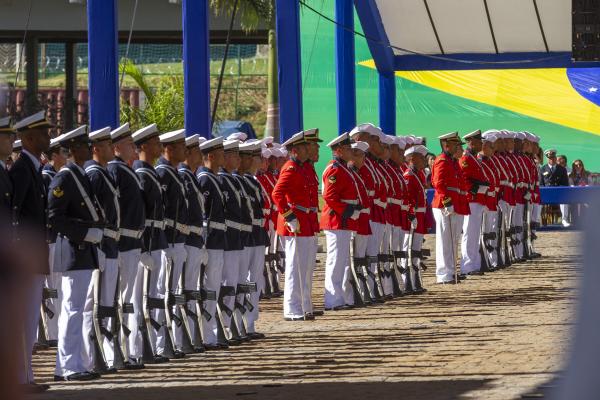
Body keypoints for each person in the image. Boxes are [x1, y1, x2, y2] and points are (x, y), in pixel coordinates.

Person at [47, 125, 101, 382]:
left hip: (83, 252)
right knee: (72, 309)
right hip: (72, 250)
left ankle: (73, 363)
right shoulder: (65, 177)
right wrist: (83, 234)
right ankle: (69, 367)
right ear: (72, 150)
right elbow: (54, 218)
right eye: (84, 146)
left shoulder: (80, 175)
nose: (89, 150)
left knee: (78, 309)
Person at [10, 111, 51, 392]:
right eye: (44, 133)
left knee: (29, 319)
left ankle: (26, 375)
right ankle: (21, 377)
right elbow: (15, 215)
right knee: (23, 319)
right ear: (29, 138)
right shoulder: (23, 169)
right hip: (24, 257)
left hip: (35, 257)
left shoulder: (33, 167)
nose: (48, 137)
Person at [107, 123, 146, 368]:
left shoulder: (126, 170)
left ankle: (129, 351)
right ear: (116, 148)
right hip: (121, 243)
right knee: (116, 300)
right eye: (129, 144)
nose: (134, 148)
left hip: (132, 242)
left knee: (128, 300)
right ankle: (114, 354)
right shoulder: (115, 171)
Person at [131, 123, 171, 362]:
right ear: (144, 145)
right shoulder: (142, 174)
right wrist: (144, 248)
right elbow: (140, 216)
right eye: (155, 143)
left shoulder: (151, 172)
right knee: (143, 297)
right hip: (147, 244)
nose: (159, 147)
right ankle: (141, 348)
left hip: (157, 242)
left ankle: (155, 345)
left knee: (154, 295)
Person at [83, 127, 121, 371]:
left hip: (111, 243)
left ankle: (105, 353)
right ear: (96, 149)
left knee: (106, 302)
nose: (111, 149)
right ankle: (92, 354)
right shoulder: (95, 175)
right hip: (101, 243)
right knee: (94, 303)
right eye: (107, 145)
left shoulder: (105, 173)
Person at [271, 131, 315, 321]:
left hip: (304, 220)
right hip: (294, 222)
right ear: (295, 151)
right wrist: (289, 216)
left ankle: (304, 305)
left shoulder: (302, 168)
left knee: (304, 266)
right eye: (304, 148)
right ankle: (291, 307)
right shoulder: (290, 168)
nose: (308, 150)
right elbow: (277, 194)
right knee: (294, 266)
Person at [156, 129, 190, 353]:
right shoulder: (163, 174)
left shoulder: (175, 173)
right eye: (181, 146)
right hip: (167, 241)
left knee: (173, 293)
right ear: (169, 148)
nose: (185, 151)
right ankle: (161, 343)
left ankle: (174, 340)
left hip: (178, 240)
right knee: (163, 292)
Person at [320, 132, 359, 310]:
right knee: (335, 261)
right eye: (348, 148)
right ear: (339, 150)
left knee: (342, 261)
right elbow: (329, 196)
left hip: (344, 219)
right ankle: (332, 300)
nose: (352, 151)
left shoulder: (343, 168)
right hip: (337, 219)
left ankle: (340, 297)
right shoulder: (334, 169)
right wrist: (348, 211)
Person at [178, 134, 209, 351]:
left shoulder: (191, 177)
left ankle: (188, 335)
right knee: (184, 290)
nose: (201, 155)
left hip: (195, 239)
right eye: (197, 151)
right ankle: (181, 337)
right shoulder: (183, 176)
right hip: (185, 240)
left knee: (191, 290)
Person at [197, 136, 228, 349]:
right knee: (207, 289)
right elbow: (203, 215)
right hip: (210, 241)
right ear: (210, 156)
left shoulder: (214, 179)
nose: (224, 156)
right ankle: (206, 335)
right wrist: (204, 244)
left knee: (213, 289)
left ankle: (211, 333)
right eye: (221, 153)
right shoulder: (205, 179)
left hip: (218, 240)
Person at [236, 140, 267, 338]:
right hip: (245, 236)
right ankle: (239, 322)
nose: (257, 161)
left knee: (255, 281)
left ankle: (250, 322)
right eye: (254, 157)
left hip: (256, 235)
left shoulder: (253, 181)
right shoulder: (238, 181)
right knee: (242, 281)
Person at [432, 132, 469, 284]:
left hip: (454, 203)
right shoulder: (442, 160)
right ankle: (443, 274)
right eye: (455, 145)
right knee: (444, 240)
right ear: (447, 145)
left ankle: (451, 271)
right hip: (444, 205)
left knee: (453, 240)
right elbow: (438, 183)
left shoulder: (452, 161)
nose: (458, 147)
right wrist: (447, 202)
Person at [459, 130, 490, 276]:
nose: (481, 144)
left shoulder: (473, 158)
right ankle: (467, 266)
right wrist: (475, 189)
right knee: (469, 233)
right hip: (471, 199)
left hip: (478, 199)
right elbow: (464, 179)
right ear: (471, 142)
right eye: (479, 141)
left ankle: (474, 264)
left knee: (475, 233)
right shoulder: (466, 158)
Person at [402, 144, 430, 291]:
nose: (424, 161)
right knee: (409, 248)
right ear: (412, 159)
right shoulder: (408, 176)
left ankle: (415, 279)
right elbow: (407, 199)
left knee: (417, 249)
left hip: (420, 214)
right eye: (421, 158)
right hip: (413, 216)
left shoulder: (418, 175)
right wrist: (411, 215)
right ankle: (408, 280)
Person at [540, 149, 569, 227]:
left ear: (556, 158)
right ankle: (538, 221)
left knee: (564, 200)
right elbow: (541, 183)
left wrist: (559, 190)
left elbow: (565, 183)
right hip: (547, 193)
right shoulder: (542, 169)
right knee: (537, 202)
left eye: (553, 158)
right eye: (550, 158)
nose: (552, 160)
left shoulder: (562, 169)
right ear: (547, 159)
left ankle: (564, 219)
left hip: (558, 193)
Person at [558, 154, 571, 227]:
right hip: (557, 192)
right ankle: (536, 221)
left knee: (564, 200)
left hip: (567, 193)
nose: (558, 161)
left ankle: (564, 219)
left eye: (560, 160)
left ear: (565, 161)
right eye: (557, 160)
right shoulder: (555, 169)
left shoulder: (570, 171)